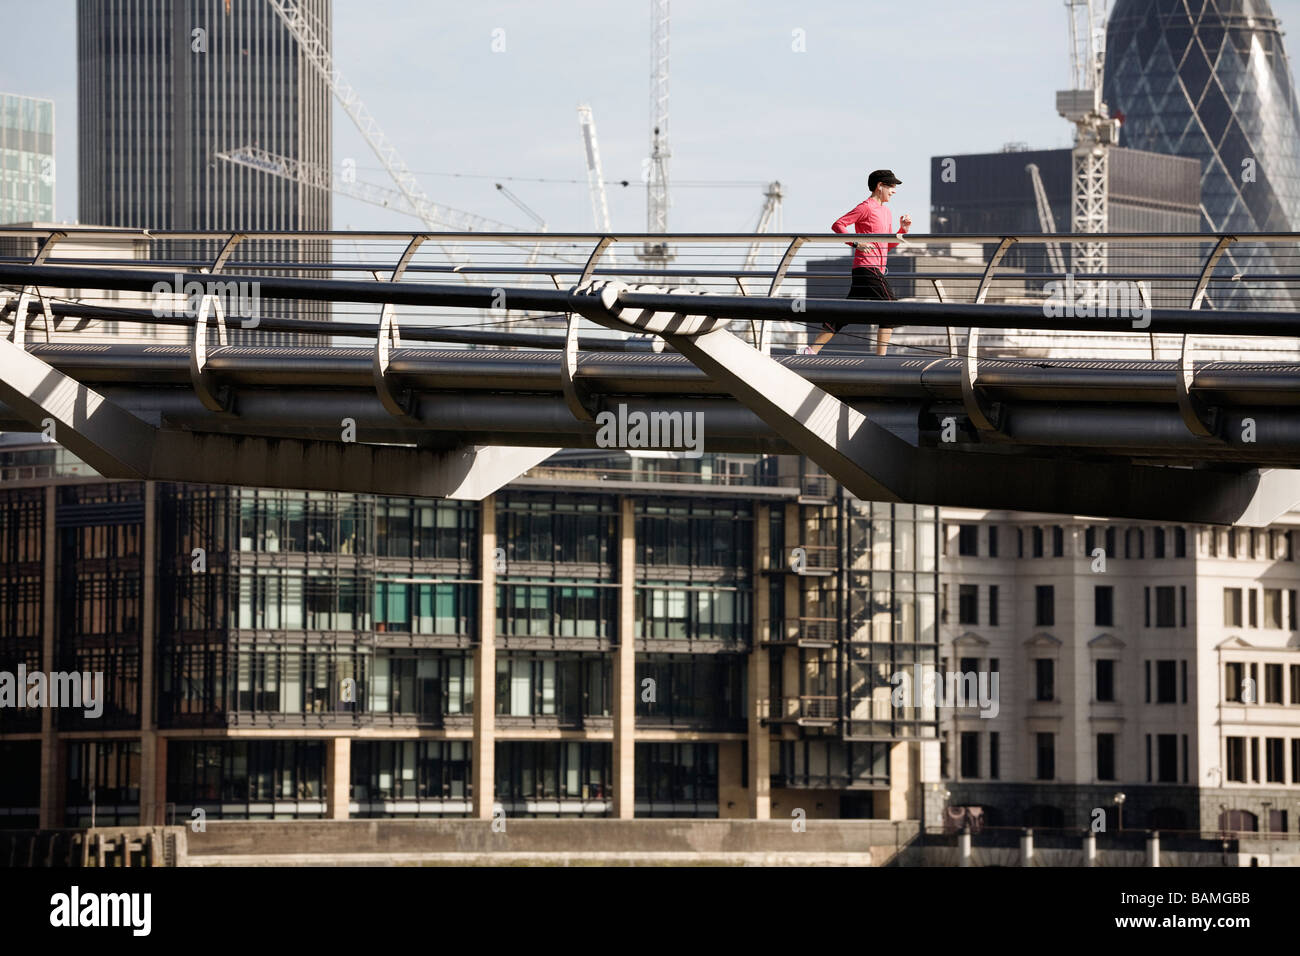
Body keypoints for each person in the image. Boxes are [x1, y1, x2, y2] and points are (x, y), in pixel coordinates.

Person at [804, 170, 911, 355]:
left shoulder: (886, 212)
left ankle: (811, 350)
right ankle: (880, 360)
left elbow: (886, 246)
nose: (894, 191)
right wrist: (855, 242)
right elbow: (838, 224)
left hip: (871, 270)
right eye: (891, 187)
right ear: (880, 186)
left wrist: (903, 229)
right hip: (867, 268)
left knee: (845, 313)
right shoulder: (866, 207)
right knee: (892, 308)